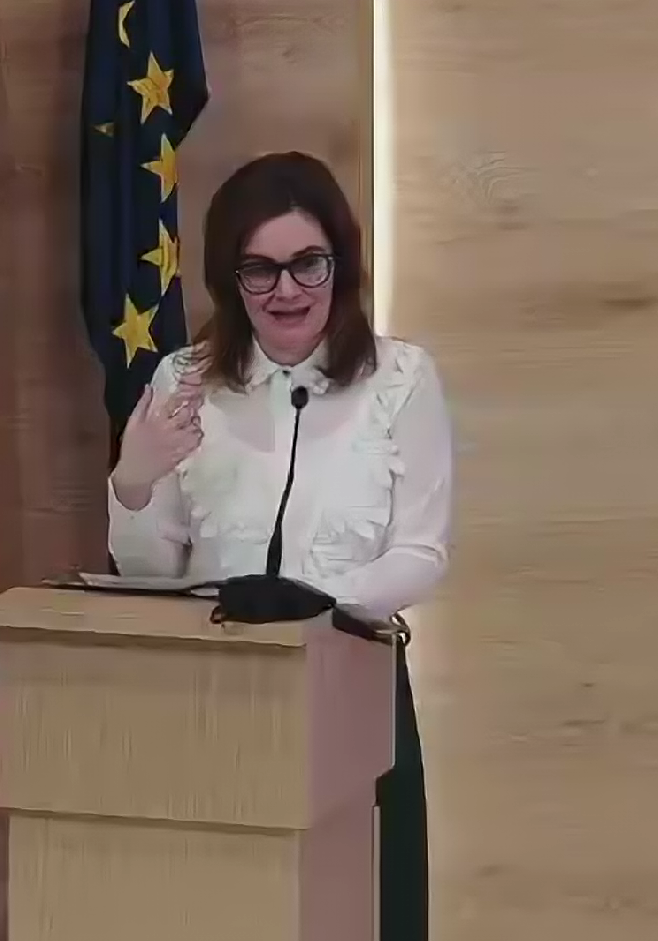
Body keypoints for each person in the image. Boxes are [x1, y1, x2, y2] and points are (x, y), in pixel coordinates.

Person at [106, 150, 451, 939]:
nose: (287, 290)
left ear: (341, 264)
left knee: (361, 908)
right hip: (211, 694)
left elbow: (422, 551)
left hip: (352, 686)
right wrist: (134, 479)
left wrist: (311, 608)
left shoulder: (401, 380)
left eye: (307, 263)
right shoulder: (182, 381)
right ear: (231, 280)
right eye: (260, 270)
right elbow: (151, 569)